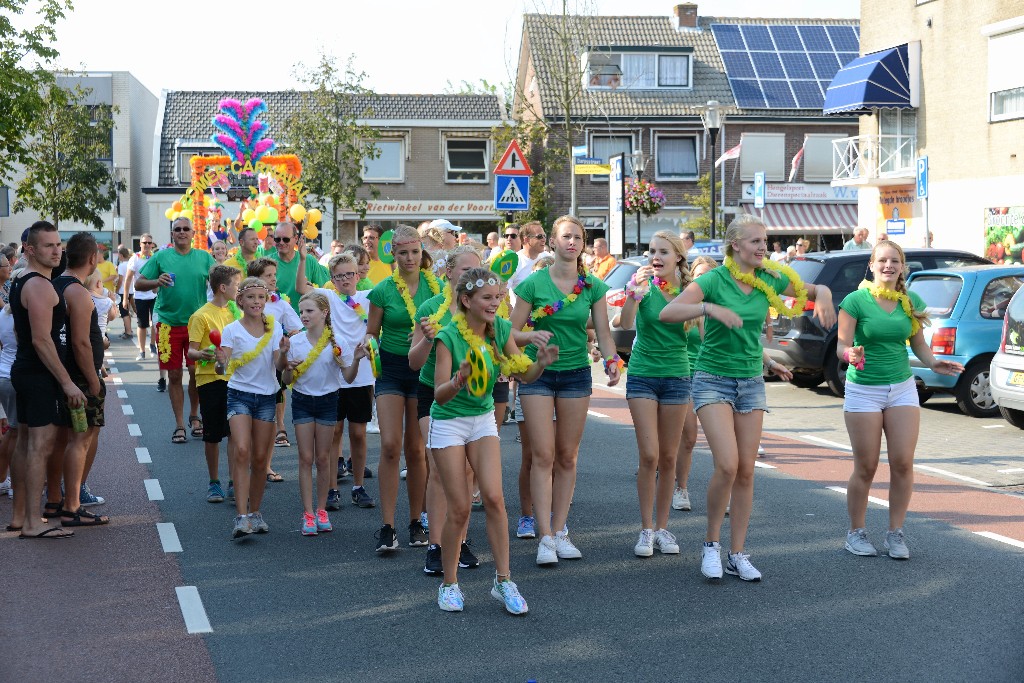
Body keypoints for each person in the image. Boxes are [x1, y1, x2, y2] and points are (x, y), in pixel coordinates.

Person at [660, 214, 834, 581]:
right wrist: (708, 307)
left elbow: (815, 290)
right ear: (735, 245)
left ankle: (738, 553)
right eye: (756, 241)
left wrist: (827, 298)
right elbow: (668, 312)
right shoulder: (713, 280)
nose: (763, 247)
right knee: (727, 463)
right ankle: (711, 545)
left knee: (746, 470)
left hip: (751, 381)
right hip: (712, 379)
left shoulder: (769, 278)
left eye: (766, 241)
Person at [431, 267, 557, 613]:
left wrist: (541, 364)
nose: (494, 304)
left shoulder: (500, 329)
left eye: (498, 297)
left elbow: (523, 373)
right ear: (466, 300)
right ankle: (449, 584)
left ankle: (504, 581)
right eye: (487, 298)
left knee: (494, 498)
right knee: (458, 508)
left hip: (483, 418)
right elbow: (439, 395)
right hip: (448, 423)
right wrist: (459, 380)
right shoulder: (447, 336)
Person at [837, 240, 963, 559]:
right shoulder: (855, 301)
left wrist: (934, 362)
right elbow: (841, 345)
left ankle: (896, 533)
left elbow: (917, 343)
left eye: (895, 261)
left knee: (903, 463)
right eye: (882, 261)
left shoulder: (911, 300)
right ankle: (856, 532)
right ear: (871, 265)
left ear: (902, 267)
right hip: (864, 389)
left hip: (902, 387)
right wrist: (849, 354)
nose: (888, 266)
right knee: (865, 467)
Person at [510, 215, 619, 566]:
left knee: (567, 456)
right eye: (565, 237)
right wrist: (529, 347)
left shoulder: (593, 287)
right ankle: (544, 536)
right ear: (552, 243)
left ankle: (560, 531)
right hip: (537, 374)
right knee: (542, 455)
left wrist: (613, 360)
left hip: (575, 374)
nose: (572, 242)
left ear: (583, 245)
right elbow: (510, 333)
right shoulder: (532, 284)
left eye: (578, 237)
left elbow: (603, 333)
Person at [366, 224, 441, 551]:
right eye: (402, 253)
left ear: (421, 251)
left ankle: (415, 521)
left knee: (417, 448)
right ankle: (386, 525)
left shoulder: (435, 286)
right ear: (392, 254)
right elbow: (372, 332)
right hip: (392, 369)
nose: (409, 258)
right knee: (390, 445)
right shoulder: (383, 290)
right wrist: (366, 348)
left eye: (414, 252)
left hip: (423, 368)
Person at [409, 245, 483, 574]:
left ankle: (460, 540)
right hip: (433, 393)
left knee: (467, 470)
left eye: (476, 271)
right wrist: (427, 339)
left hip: (473, 396)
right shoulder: (431, 307)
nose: (471, 277)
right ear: (449, 273)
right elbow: (413, 362)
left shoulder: (485, 309)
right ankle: (436, 546)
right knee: (439, 467)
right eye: (464, 270)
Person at [618, 230, 691, 557]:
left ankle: (663, 528)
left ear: (678, 256)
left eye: (663, 251)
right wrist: (633, 292)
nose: (656, 257)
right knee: (649, 455)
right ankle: (646, 529)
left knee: (669, 457)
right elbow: (625, 323)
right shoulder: (642, 287)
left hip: (677, 376)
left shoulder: (690, 291)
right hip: (643, 375)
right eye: (651, 251)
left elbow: (704, 330)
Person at [8, 221, 83, 538]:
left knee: (26, 444)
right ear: (30, 249)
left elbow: (20, 332)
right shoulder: (38, 285)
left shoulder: (21, 281)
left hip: (27, 369)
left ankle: (21, 516)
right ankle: (32, 523)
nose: (57, 250)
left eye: (59, 244)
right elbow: (42, 340)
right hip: (38, 373)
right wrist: (66, 382)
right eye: (49, 245)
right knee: (39, 446)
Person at [295, 249, 377, 511]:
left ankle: (357, 486)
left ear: (358, 274)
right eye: (339, 276)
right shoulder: (328, 297)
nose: (345, 280)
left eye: (350, 274)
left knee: (358, 432)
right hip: (334, 376)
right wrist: (302, 260)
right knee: (334, 433)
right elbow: (300, 287)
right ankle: (331, 488)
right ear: (332, 277)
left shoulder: (366, 297)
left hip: (361, 375)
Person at [282, 291, 363, 536]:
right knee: (306, 458)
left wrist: (357, 359)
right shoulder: (295, 342)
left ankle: (321, 509)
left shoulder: (338, 342)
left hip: (329, 401)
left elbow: (348, 377)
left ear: (324, 313)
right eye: (302, 311)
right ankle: (307, 513)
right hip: (303, 400)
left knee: (323, 458)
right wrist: (286, 361)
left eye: (310, 311)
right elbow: (286, 380)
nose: (304, 316)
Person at [215, 277, 288, 538]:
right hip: (239, 395)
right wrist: (220, 360)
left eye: (261, 297)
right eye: (251, 297)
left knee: (259, 459)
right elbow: (221, 368)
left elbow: (279, 368)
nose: (257, 302)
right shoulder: (232, 330)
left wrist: (284, 353)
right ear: (241, 301)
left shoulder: (276, 329)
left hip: (267, 397)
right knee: (242, 450)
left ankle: (256, 513)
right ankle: (241, 516)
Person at [135, 218, 216, 444]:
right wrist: (155, 282)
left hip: (196, 325)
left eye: (185, 229)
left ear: (193, 233)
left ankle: (194, 415)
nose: (181, 233)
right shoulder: (161, 257)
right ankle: (180, 424)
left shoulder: (204, 257)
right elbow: (138, 284)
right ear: (172, 234)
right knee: (174, 374)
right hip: (168, 324)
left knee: (195, 372)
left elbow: (221, 281)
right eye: (177, 229)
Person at [51, 233, 110, 527]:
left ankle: (57, 499)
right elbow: (81, 343)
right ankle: (72, 504)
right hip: (78, 377)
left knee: (64, 439)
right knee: (80, 439)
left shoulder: (54, 285)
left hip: (59, 373)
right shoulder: (77, 292)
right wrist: (93, 379)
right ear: (92, 258)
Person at [187, 264, 241, 504]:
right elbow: (191, 352)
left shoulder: (235, 313)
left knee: (234, 434)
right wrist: (205, 355)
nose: (238, 290)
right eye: (236, 285)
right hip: (210, 380)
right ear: (222, 287)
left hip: (235, 379)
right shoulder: (201, 315)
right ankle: (214, 482)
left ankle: (233, 481)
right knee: (212, 434)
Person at [673, 255, 717, 512]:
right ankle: (681, 488)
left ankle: (723, 491)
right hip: (684, 375)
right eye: (698, 275)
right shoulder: (684, 304)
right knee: (688, 438)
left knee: (718, 439)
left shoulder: (720, 306)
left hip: (711, 376)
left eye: (707, 275)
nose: (702, 280)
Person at [246, 257, 302, 457]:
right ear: (255, 279)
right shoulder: (243, 303)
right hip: (250, 360)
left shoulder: (280, 304)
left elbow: (297, 328)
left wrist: (291, 340)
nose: (273, 279)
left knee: (279, 390)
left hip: (274, 357)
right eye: (268, 276)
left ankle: (280, 426)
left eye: (274, 275)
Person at [268, 221, 329, 313]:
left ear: (296, 239)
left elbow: (324, 290)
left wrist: (312, 289)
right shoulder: (267, 262)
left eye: (285, 239)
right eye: (277, 239)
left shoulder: (309, 260)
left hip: (306, 321)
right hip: (277, 320)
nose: (281, 242)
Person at [123, 234, 158, 366]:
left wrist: (157, 287)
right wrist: (125, 298)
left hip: (154, 295)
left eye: (150, 242)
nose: (147, 245)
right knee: (142, 324)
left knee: (156, 322)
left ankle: (153, 345)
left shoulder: (155, 257)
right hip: (140, 296)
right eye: (145, 243)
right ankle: (142, 351)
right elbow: (128, 279)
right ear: (140, 244)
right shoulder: (135, 259)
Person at [508, 221, 550, 305]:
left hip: (546, 314)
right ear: (526, 239)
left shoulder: (549, 258)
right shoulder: (514, 262)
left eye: (544, 236)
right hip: (521, 315)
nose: (544, 239)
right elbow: (503, 291)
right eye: (539, 236)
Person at [115, 246, 134, 339]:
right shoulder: (131, 263)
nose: (118, 256)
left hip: (123, 291)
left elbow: (120, 280)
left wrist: (116, 290)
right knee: (127, 311)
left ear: (121, 255)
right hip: (131, 290)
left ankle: (128, 332)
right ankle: (128, 330)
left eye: (118, 254)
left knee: (124, 312)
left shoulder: (122, 265)